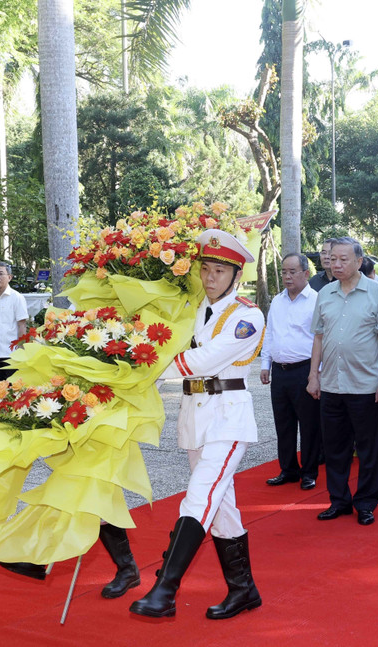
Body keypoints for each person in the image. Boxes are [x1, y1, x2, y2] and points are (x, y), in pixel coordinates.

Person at [130, 229, 265, 620]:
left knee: (200, 496)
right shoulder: (190, 311)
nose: (210, 278)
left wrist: (142, 371)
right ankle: (244, 590)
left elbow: (203, 361)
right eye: (205, 269)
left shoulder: (247, 315)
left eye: (220, 271)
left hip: (226, 417)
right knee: (222, 508)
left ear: (236, 275)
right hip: (195, 415)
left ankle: (164, 590)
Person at [307, 237, 378, 527]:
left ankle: (366, 503)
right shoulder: (325, 293)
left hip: (365, 386)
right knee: (334, 448)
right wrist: (313, 375)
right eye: (333, 259)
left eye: (344, 259)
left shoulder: (376, 292)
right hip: (331, 384)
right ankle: (339, 501)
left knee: (369, 449)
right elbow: (318, 336)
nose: (337, 264)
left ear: (359, 262)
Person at [260, 253, 321, 491]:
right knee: (283, 424)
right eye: (284, 271)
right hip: (280, 371)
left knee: (309, 425)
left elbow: (321, 339)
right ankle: (288, 469)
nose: (287, 276)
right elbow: (270, 333)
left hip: (305, 370)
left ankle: (309, 471)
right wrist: (265, 364)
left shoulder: (316, 300)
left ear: (306, 273)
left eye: (292, 272)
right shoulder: (277, 300)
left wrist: (317, 374)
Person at [0, 262, 29, 386]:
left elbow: (22, 326)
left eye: (1, 274)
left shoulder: (17, 298)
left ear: (9, 277)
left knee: (13, 391)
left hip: (11, 354)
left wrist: (21, 350)